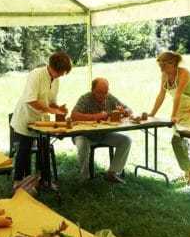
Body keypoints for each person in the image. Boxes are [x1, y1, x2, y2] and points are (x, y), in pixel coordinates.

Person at [10, 51, 72, 188]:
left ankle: (45, 180)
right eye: (61, 72)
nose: (62, 75)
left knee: (44, 148)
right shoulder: (36, 74)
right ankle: (18, 182)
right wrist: (51, 110)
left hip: (41, 120)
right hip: (26, 117)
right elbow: (31, 100)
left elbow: (50, 102)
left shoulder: (56, 80)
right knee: (24, 150)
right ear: (53, 67)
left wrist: (59, 108)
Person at [149, 51, 190, 185]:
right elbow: (161, 95)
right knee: (181, 141)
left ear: (172, 63)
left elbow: (177, 95)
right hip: (179, 109)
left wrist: (173, 115)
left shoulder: (184, 73)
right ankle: (189, 173)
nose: (160, 66)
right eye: (159, 63)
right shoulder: (164, 74)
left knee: (177, 141)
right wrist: (152, 114)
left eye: (163, 63)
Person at [70, 78, 132, 184]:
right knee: (82, 144)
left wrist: (125, 111)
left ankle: (112, 173)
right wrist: (95, 116)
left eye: (105, 92)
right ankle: (84, 177)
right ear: (93, 90)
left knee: (126, 140)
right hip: (84, 135)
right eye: (100, 92)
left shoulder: (109, 97)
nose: (103, 95)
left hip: (103, 134)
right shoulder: (85, 98)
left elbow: (129, 110)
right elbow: (74, 115)